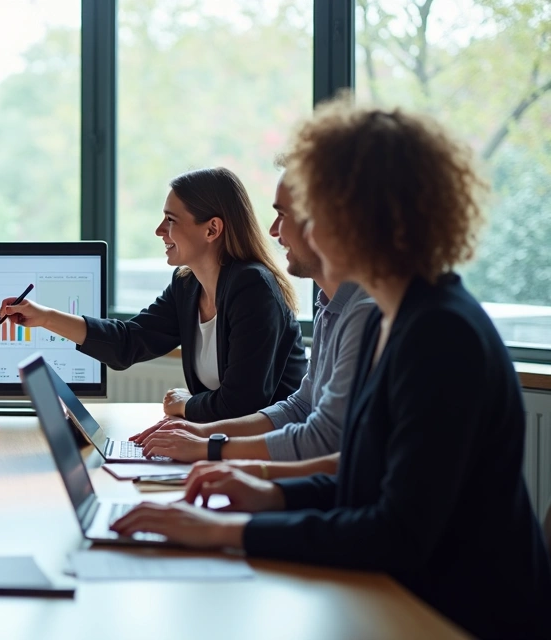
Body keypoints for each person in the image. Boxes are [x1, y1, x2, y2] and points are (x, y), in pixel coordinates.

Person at [110, 100, 551, 639]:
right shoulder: (404, 316)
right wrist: (270, 492)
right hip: (410, 594)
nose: (293, 235)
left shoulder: (440, 335)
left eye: (311, 216)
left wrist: (226, 529)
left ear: (361, 220)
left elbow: (395, 531)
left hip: (454, 616)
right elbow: (369, 476)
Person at [0, 167, 306, 423]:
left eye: (171, 220)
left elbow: (242, 406)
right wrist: (45, 317)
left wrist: (186, 404)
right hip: (219, 446)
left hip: (268, 454)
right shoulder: (187, 286)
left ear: (212, 229)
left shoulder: (253, 288)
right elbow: (127, 343)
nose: (160, 230)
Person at [130, 163, 376, 466]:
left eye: (283, 215)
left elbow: (323, 439)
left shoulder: (366, 314)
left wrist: (209, 446)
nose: (273, 231)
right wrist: (200, 433)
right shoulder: (330, 306)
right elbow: (300, 408)